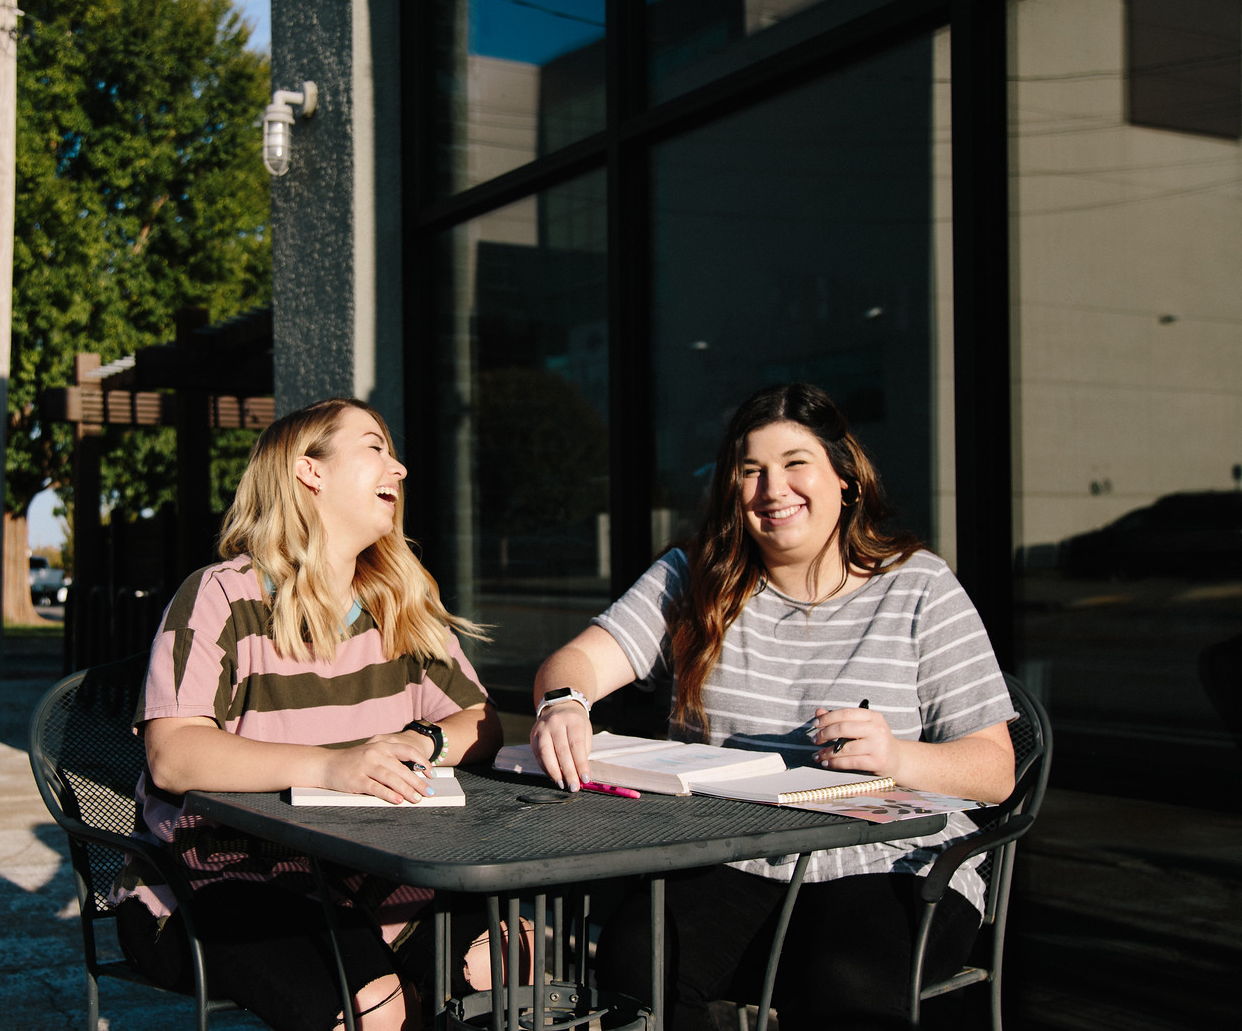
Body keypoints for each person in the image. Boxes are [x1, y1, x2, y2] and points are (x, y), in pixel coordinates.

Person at [530, 382, 1016, 1031]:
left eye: (795, 463)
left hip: (887, 860)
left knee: (842, 981)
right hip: (730, 853)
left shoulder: (920, 585)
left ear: (845, 478)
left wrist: (898, 756)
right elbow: (577, 663)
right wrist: (564, 703)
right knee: (636, 965)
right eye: (751, 469)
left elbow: (995, 770)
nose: (772, 488)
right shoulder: (694, 576)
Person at [111, 397, 509, 1031]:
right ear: (309, 470)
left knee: (507, 964)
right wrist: (333, 767)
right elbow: (173, 754)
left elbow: (480, 721)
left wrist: (421, 742)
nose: (400, 468)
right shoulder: (221, 595)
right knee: (375, 1009)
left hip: (368, 869)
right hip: (215, 877)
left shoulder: (396, 605)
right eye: (375, 448)